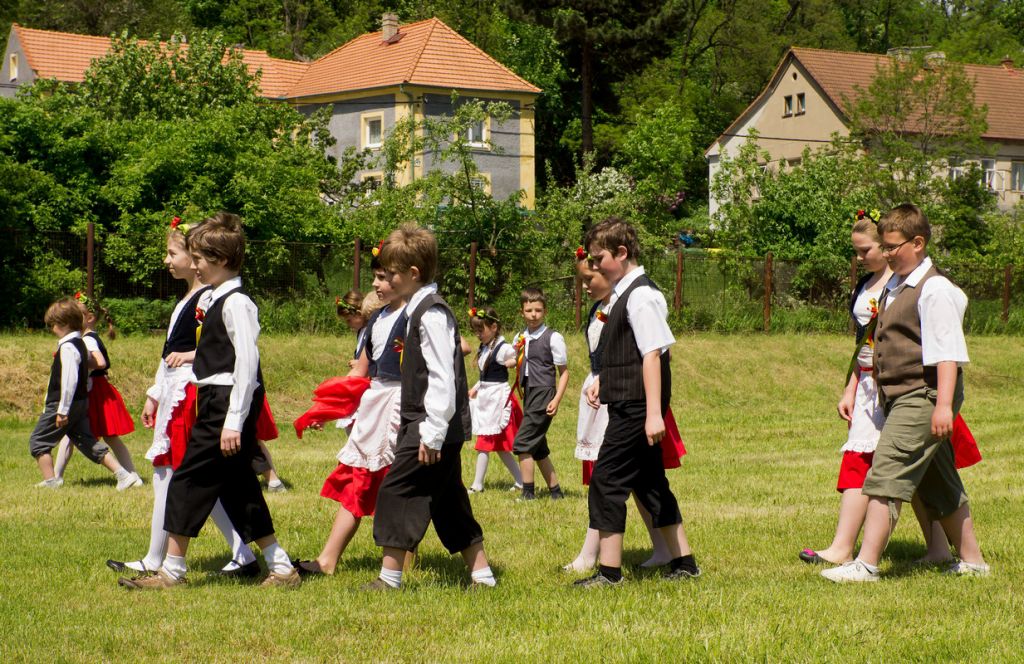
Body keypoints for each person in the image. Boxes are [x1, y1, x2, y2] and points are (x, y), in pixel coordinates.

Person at [119, 212, 299, 589]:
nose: (196, 265)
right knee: (238, 487)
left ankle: (172, 572)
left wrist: (233, 420)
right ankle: (281, 566)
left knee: (187, 479)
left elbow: (247, 364)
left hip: (226, 400)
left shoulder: (237, 302)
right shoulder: (215, 297)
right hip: (212, 397)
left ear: (222, 259)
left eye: (200, 258)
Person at [822, 204, 988, 582]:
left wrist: (943, 406)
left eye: (893, 247)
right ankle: (974, 561)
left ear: (918, 243)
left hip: (923, 394)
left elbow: (947, 354)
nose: (887, 253)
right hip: (901, 395)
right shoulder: (898, 283)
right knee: (938, 482)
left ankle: (866, 563)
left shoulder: (935, 289)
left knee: (886, 472)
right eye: (884, 246)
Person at [801, 211, 951, 566]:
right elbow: (865, 344)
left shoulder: (908, 285)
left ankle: (940, 548)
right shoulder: (868, 286)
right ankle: (842, 546)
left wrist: (942, 401)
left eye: (867, 249)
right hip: (870, 385)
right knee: (860, 460)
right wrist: (851, 387)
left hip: (905, 385)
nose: (861, 257)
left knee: (914, 467)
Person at [367, 224, 495, 590]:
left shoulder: (431, 314)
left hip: (431, 424)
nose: (386, 279)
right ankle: (483, 575)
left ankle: (390, 578)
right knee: (447, 499)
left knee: (397, 490)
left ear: (412, 273)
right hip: (429, 424)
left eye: (391, 273)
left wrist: (433, 433)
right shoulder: (417, 310)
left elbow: (442, 377)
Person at [576, 217, 699, 587]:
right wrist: (604, 380)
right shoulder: (624, 293)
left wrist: (653, 414)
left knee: (606, 481)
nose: (595, 266)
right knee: (650, 484)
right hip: (626, 400)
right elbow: (629, 351)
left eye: (599, 259)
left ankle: (609, 573)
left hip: (636, 407)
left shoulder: (641, 295)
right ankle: (685, 564)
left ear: (621, 253)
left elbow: (653, 355)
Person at [294, 258, 409, 577]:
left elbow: (453, 351)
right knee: (359, 478)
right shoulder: (377, 322)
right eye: (376, 277)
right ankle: (327, 560)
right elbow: (358, 374)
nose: (375, 284)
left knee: (399, 482)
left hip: (404, 406)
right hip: (376, 407)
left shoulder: (417, 316)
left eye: (382, 277)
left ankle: (407, 560)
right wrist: (325, 409)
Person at [29, 298, 141, 490]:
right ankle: (123, 475)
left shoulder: (68, 347)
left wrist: (62, 410)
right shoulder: (80, 343)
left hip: (63, 404)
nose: (52, 329)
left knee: (38, 441)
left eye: (53, 324)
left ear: (64, 324)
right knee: (87, 442)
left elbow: (69, 380)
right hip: (81, 403)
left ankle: (51, 481)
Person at [510, 288, 568, 501]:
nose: (533, 315)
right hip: (529, 391)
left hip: (544, 392)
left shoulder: (553, 338)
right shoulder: (520, 337)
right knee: (538, 446)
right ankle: (556, 492)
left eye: (538, 310)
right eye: (529, 310)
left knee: (523, 442)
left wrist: (556, 399)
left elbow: (564, 373)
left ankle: (528, 493)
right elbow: (517, 360)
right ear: (521, 312)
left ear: (545, 311)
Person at [466, 305, 523, 494]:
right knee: (500, 447)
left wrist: (512, 362)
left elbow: (516, 357)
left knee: (484, 442)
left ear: (494, 327)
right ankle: (521, 480)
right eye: (475, 331)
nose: (478, 335)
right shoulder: (485, 347)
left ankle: (477, 485)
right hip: (487, 397)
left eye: (480, 330)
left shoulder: (502, 348)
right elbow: (485, 376)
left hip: (498, 398)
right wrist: (475, 388)